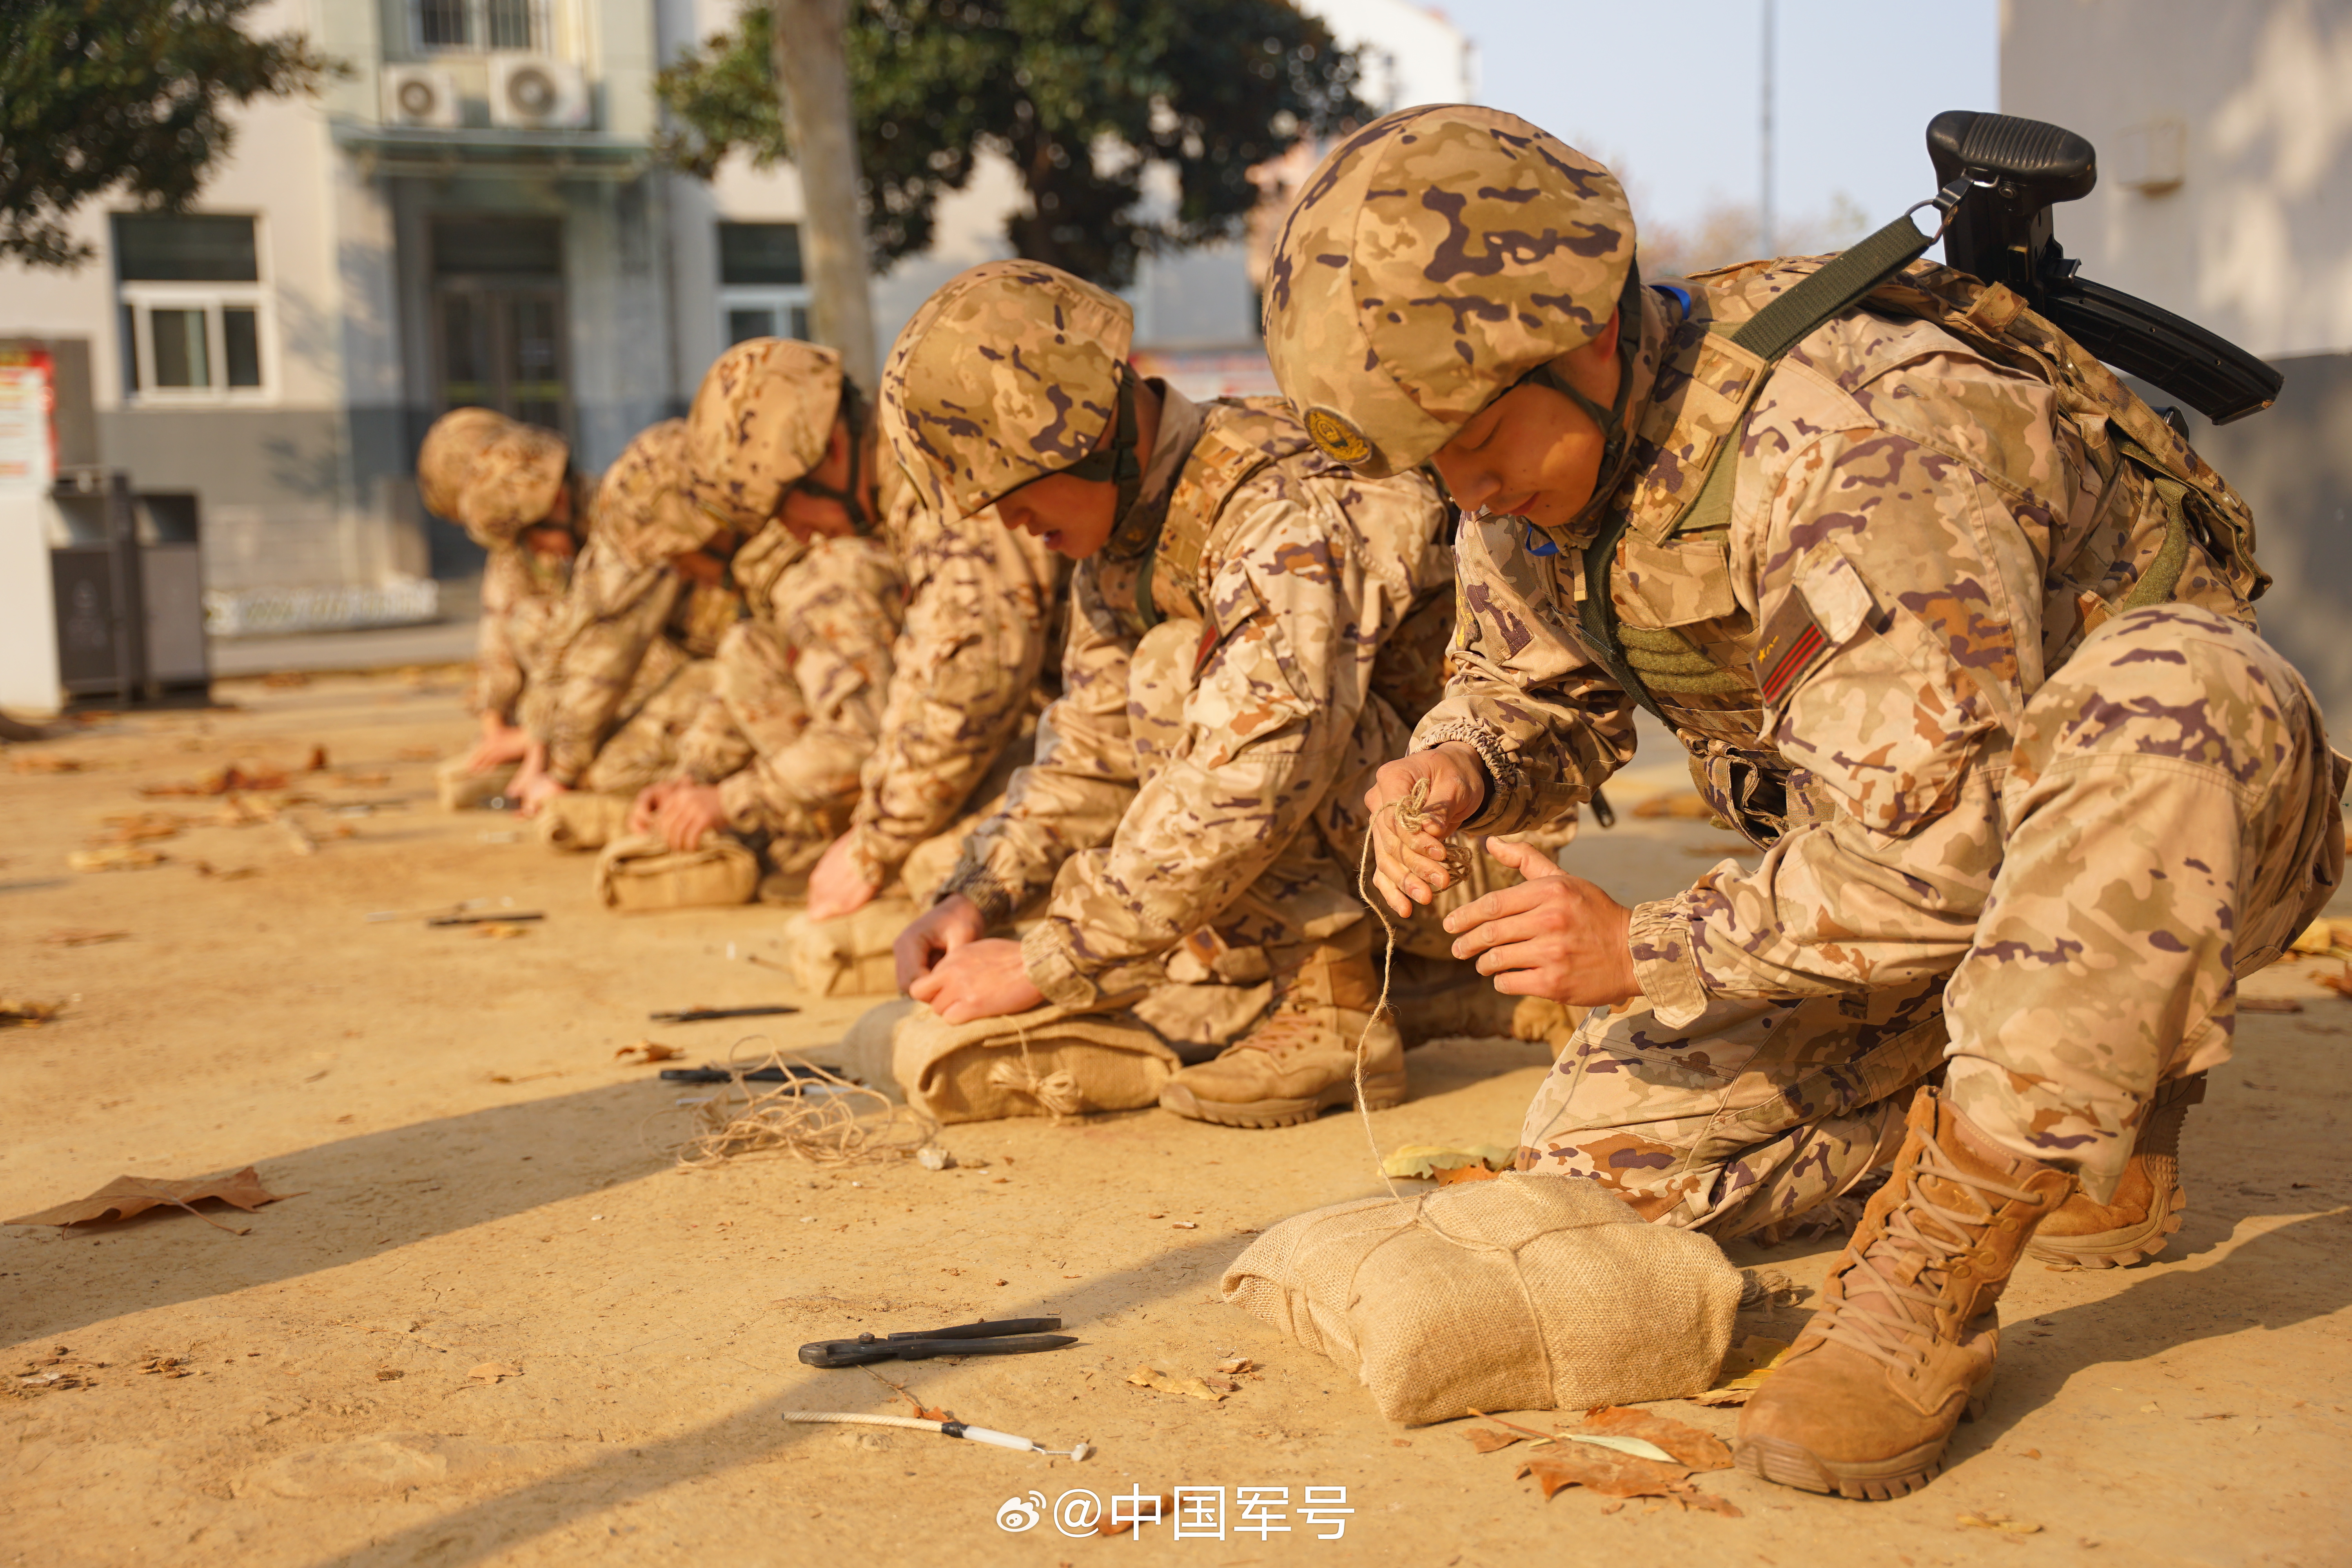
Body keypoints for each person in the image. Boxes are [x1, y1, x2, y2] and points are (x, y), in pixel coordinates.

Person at [1258, 103, 2343, 1499]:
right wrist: (1457, 764)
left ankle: (1936, 1266)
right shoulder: (1533, 468)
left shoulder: (1849, 442)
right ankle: (2064, 1110)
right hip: (1903, 866)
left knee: (2161, 679)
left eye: (1472, 438)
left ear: (1589, 338)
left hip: (2168, 834)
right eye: (1428, 459)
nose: (1462, 485)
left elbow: (1938, 857)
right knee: (1601, 1142)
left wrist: (1640, 948)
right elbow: (1527, 683)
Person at [884, 260, 1493, 1129]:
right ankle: (1403, 983)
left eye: (1011, 485)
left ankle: (1333, 1005)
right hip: (1393, 860)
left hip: (1462, 859)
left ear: (1086, 430)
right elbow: (1087, 760)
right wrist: (979, 893)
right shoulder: (1130, 541)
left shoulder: (1283, 502)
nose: (1006, 521)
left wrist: (1052, 959)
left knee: (1173, 665)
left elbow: (1249, 773)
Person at [627, 338, 905, 875]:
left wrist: (731, 801)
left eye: (680, 559)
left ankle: (846, 844)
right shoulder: (780, 578)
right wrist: (695, 779)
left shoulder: (827, 577)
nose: (792, 529)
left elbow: (860, 740)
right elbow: (746, 680)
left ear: (830, 454)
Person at [507, 419, 744, 817]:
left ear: (557, 505)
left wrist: (561, 773)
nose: (539, 554)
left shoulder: (655, 520)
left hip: (726, 667)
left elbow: (610, 651)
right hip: (710, 662)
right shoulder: (627, 515)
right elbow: (571, 643)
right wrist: (539, 746)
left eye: (532, 539)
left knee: (615, 769)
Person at [416, 407, 586, 777]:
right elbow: (499, 637)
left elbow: (604, 651)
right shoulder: (519, 552)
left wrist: (536, 741)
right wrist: (495, 729)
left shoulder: (613, 535)